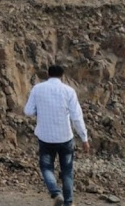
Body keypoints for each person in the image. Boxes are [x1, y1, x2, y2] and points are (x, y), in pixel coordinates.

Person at [24, 65, 89, 206]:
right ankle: (68, 202)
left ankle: (55, 192)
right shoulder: (69, 91)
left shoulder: (37, 89)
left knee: (46, 167)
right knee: (67, 171)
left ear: (48, 74)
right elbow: (76, 117)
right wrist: (84, 138)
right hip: (65, 137)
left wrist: (39, 111)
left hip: (45, 137)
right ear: (62, 76)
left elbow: (28, 111)